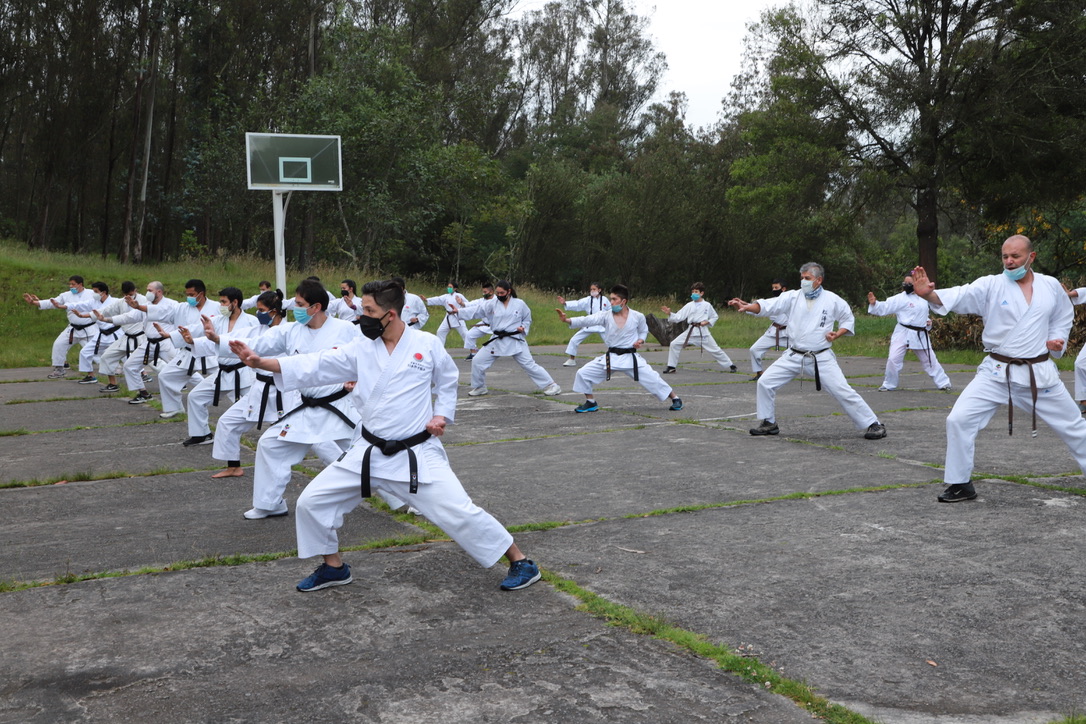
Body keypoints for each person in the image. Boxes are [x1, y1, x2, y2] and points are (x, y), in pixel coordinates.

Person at [228, 279, 541, 592]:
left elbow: (447, 380)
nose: (361, 315)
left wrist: (441, 415)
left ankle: (520, 561)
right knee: (312, 502)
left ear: (390, 314)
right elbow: (316, 364)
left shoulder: (426, 344)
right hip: (367, 451)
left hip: (414, 453)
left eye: (368, 310)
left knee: (459, 512)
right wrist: (261, 362)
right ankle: (333, 567)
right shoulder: (362, 347)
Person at [911, 235, 1086, 502]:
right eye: (1005, 256)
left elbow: (1062, 317)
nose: (1009, 261)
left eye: (1015, 256)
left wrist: (1057, 342)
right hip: (996, 372)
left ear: (1031, 257)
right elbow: (960, 295)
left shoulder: (1050, 286)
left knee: (1074, 426)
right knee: (959, 420)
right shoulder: (991, 285)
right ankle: (960, 484)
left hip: (1037, 374)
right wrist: (929, 294)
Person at [219, 279, 360, 519]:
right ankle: (270, 504)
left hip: (338, 406)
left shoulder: (344, 329)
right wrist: (218, 341)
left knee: (370, 452)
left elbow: (365, 356)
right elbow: (259, 343)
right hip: (305, 407)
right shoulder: (291, 330)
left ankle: (404, 499)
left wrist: (356, 378)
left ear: (315, 307)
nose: (294, 307)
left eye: (299, 303)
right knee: (270, 444)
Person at [729, 262, 887, 440]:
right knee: (765, 382)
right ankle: (769, 422)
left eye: (807, 278)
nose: (803, 281)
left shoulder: (833, 299)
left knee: (841, 389)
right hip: (793, 354)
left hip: (820, 356)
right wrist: (747, 306)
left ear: (818, 280)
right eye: (802, 278)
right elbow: (768, 306)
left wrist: (837, 334)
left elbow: (847, 320)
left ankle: (873, 424)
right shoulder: (792, 297)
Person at [556, 284, 683, 412]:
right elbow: (587, 320)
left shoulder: (637, 316)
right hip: (611, 357)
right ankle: (590, 402)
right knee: (583, 373)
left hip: (630, 358)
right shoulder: (605, 315)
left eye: (614, 299)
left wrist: (640, 340)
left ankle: (675, 398)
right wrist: (567, 320)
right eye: (610, 299)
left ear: (623, 301)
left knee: (653, 378)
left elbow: (643, 331)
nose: (611, 302)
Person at [177, 287, 259, 446]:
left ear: (235, 302)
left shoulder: (251, 322)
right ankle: (202, 434)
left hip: (243, 372)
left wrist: (216, 338)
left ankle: (280, 431)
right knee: (195, 397)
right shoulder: (217, 320)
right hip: (223, 372)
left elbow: (245, 345)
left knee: (261, 403)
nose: (220, 305)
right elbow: (208, 339)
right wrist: (192, 340)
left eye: (224, 302)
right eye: (220, 301)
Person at [462, 280, 561, 397]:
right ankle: (480, 387)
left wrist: (523, 327)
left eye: (502, 293)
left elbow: (527, 319)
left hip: (515, 338)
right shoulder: (492, 304)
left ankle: (552, 385)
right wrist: (457, 312)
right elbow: (476, 311)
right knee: (478, 361)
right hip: (497, 339)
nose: (499, 296)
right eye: (497, 293)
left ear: (509, 291)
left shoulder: (520, 304)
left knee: (529, 364)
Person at [866, 273, 952, 392]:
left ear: (916, 284)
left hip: (919, 333)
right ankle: (889, 384)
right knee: (893, 358)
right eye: (905, 283)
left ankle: (943, 383)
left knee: (929, 359)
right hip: (903, 331)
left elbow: (924, 314)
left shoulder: (924, 298)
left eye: (909, 283)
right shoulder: (900, 298)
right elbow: (885, 307)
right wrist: (874, 304)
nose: (906, 285)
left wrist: (928, 322)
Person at [152, 279, 221, 420]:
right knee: (165, 376)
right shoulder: (182, 308)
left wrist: (170, 335)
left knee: (229, 379)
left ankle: (247, 405)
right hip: (189, 351)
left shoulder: (217, 307)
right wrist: (139, 307)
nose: (189, 297)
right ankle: (174, 408)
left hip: (212, 351)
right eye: (187, 294)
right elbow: (161, 313)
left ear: (201, 294)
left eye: (192, 294)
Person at [106, 281, 179, 404]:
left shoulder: (172, 304)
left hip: (167, 343)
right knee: (130, 366)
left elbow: (159, 311)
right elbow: (128, 317)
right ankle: (143, 393)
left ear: (159, 292)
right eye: (147, 290)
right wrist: (108, 319)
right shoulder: (146, 304)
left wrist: (139, 307)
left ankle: (205, 387)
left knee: (186, 368)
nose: (147, 293)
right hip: (148, 343)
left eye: (150, 290)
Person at [22, 275, 98, 378]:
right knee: (59, 344)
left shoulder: (92, 294)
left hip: (90, 329)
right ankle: (59, 369)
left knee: (98, 351)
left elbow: (104, 303)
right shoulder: (65, 295)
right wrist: (34, 302)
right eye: (70, 284)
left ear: (80, 284)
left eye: (73, 284)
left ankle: (114, 368)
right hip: (73, 329)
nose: (71, 286)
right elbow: (52, 303)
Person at [83, 281, 147, 393]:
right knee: (107, 357)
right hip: (126, 337)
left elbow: (128, 317)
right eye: (126, 294)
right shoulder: (120, 302)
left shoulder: (144, 301)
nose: (128, 297)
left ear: (135, 291)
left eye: (131, 294)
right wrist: (87, 315)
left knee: (156, 362)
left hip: (142, 338)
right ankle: (113, 384)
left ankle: (174, 379)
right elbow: (106, 310)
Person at [661, 282, 736, 374]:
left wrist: (707, 322)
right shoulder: (689, 305)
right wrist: (669, 313)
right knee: (674, 344)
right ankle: (671, 366)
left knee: (715, 349)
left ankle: (730, 365)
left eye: (696, 292)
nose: (694, 294)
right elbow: (679, 317)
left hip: (703, 332)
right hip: (691, 332)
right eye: (693, 292)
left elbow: (714, 316)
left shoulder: (707, 305)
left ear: (701, 293)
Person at [70, 282, 119, 384]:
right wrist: (60, 305)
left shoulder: (115, 301)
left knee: (128, 356)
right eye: (93, 291)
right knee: (85, 352)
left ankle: (142, 373)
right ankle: (91, 376)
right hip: (101, 335)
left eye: (96, 291)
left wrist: (83, 316)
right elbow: (79, 305)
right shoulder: (94, 302)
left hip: (115, 335)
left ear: (103, 292)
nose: (94, 293)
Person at [557, 283, 609, 366]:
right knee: (574, 340)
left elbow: (610, 311)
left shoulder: (605, 300)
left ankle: (618, 359)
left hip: (601, 325)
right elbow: (578, 304)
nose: (592, 291)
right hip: (589, 324)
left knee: (611, 342)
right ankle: (571, 359)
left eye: (594, 289)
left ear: (599, 290)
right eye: (591, 289)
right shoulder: (588, 300)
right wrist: (565, 303)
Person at [748, 279, 790, 380]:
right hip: (774, 331)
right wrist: (744, 306)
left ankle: (818, 372)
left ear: (783, 289)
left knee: (803, 353)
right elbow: (759, 308)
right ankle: (759, 373)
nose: (774, 290)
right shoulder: (771, 301)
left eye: (776, 288)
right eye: (773, 288)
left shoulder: (792, 300)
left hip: (790, 333)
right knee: (754, 349)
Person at [425, 281, 471, 349]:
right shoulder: (446, 296)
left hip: (458, 316)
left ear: (455, 289)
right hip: (448, 317)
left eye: (450, 287)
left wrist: (462, 305)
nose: (448, 288)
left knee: (465, 334)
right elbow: (437, 299)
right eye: (448, 287)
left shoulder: (459, 296)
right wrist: (426, 300)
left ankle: (473, 350)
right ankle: (440, 350)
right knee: (440, 331)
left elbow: (468, 304)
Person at [464, 283, 495, 360]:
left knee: (494, 343)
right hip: (483, 324)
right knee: (469, 334)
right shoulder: (481, 301)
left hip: (495, 326)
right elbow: (471, 304)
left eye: (485, 292)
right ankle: (473, 353)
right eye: (483, 292)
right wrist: (462, 303)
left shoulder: (497, 300)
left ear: (491, 292)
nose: (483, 294)